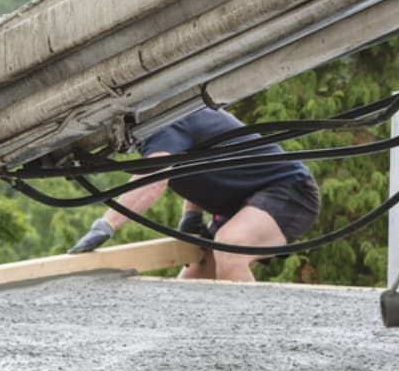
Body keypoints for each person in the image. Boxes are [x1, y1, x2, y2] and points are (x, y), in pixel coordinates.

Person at [68, 107, 320, 281]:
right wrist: (192, 216)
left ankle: (247, 338)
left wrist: (107, 224)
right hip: (240, 206)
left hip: (289, 192)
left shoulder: (161, 122)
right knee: (191, 287)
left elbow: (153, 180)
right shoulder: (173, 116)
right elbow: (198, 166)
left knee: (230, 248)